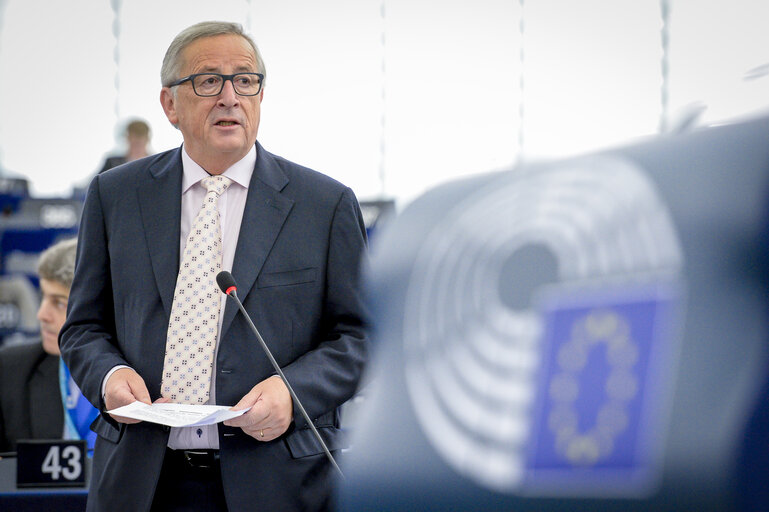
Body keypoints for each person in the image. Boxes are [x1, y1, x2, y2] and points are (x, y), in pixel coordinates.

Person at [60, 21, 369, 512]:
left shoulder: (324, 205)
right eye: (208, 81)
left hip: (276, 481)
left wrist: (293, 393)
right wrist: (109, 376)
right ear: (169, 105)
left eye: (245, 80)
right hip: (140, 483)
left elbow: (359, 336)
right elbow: (82, 327)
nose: (230, 96)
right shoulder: (115, 195)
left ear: (260, 96)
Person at [0, 238, 89, 451]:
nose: (42, 315)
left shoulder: (147, 372)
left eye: (59, 302)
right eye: (43, 297)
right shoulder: (11, 369)